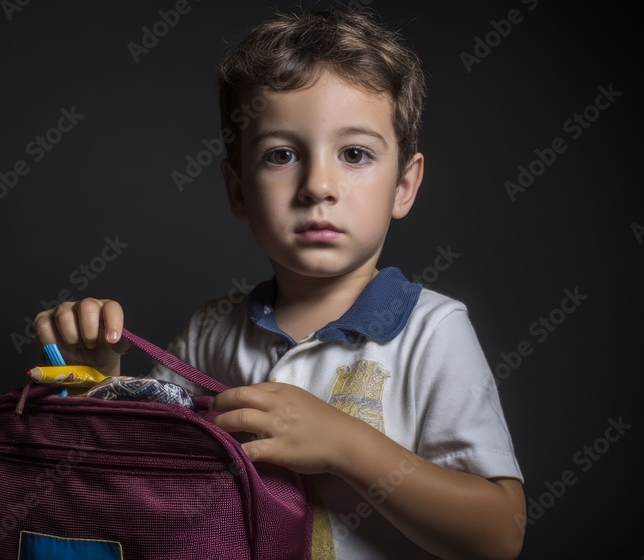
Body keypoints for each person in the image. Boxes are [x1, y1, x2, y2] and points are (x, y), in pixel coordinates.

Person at [33, 9, 525, 559]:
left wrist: (345, 444)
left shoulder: (432, 332)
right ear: (238, 190)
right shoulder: (211, 332)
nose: (317, 185)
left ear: (404, 186)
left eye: (355, 154)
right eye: (282, 155)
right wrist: (98, 384)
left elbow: (498, 534)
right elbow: (143, 479)